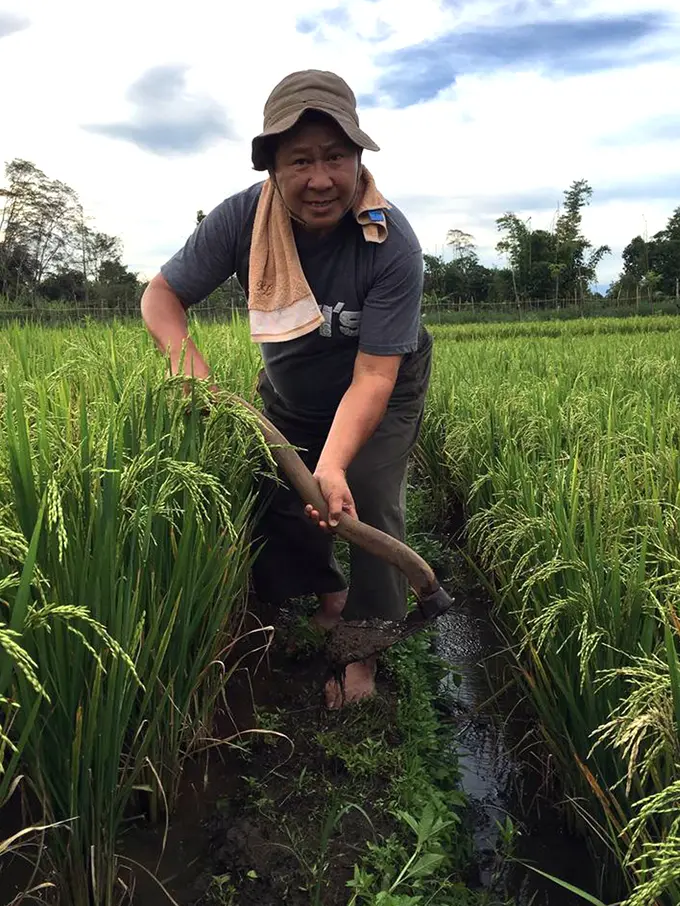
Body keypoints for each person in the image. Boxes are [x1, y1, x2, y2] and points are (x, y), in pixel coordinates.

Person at [141, 69, 433, 709]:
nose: (321, 178)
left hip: (380, 387)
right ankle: (327, 593)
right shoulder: (241, 220)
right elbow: (162, 294)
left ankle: (362, 652)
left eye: (336, 157)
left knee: (369, 501)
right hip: (292, 383)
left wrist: (333, 465)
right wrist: (188, 366)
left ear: (358, 159)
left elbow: (375, 374)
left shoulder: (390, 242)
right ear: (271, 165)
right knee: (280, 493)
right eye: (300, 159)